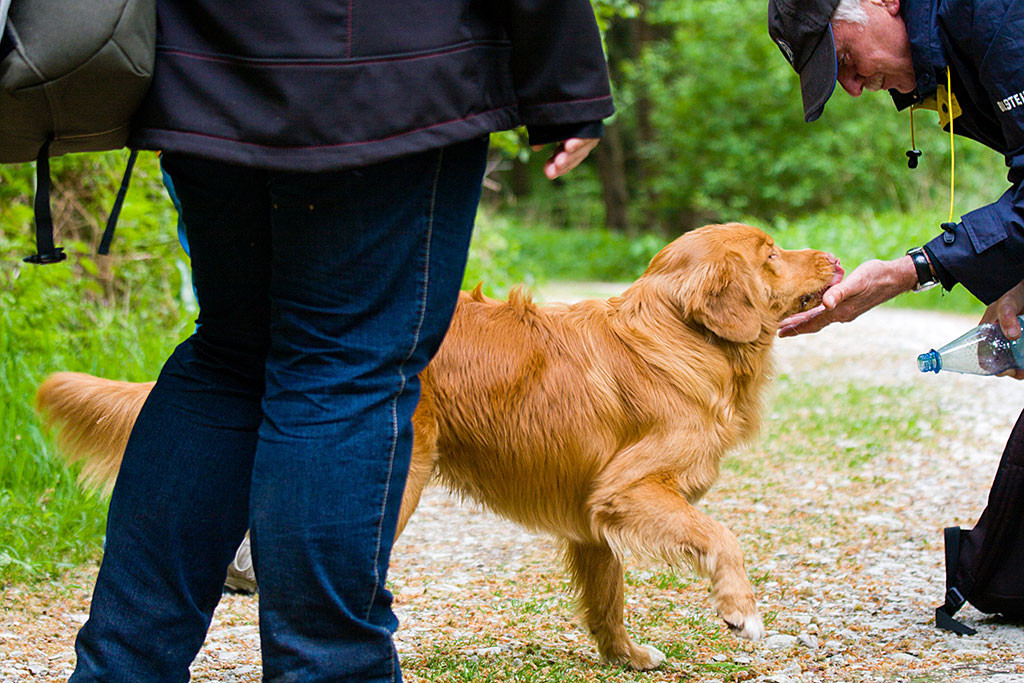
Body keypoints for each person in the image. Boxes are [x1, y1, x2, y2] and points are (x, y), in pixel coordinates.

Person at [68, 2, 614, 681]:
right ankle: (329, 670)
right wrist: (565, 78)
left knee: (231, 357)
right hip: (392, 74)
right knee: (343, 368)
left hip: (204, 65)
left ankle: (119, 669)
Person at [766, 0, 1024, 374]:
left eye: (847, 57)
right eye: (838, 77)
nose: (853, 88)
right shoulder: (948, 60)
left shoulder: (992, 13)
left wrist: (910, 269)